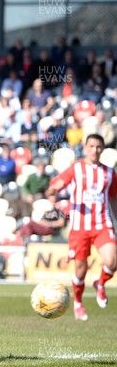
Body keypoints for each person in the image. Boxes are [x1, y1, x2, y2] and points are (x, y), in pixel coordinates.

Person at [46, 134, 117, 321]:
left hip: (102, 223)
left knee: (112, 262)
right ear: (85, 147)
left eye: (99, 147)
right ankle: (78, 301)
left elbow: (114, 200)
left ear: (102, 149)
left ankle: (100, 283)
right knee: (80, 270)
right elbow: (58, 184)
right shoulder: (76, 168)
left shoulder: (110, 173)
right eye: (92, 146)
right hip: (80, 226)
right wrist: (52, 191)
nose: (95, 150)